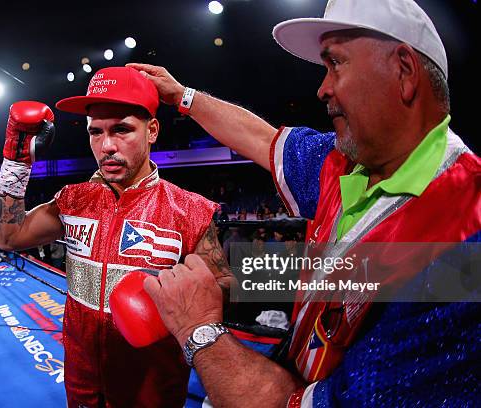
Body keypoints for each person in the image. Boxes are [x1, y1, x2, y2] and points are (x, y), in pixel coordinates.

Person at [129, 0, 480, 406]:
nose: (322, 88)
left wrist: (199, 329)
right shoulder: (347, 161)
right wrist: (182, 96)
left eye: (336, 64)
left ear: (403, 70)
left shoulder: (465, 241)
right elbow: (262, 139)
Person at [0, 66, 236, 407]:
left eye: (122, 130)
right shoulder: (72, 200)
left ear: (151, 131)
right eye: (96, 132)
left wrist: (174, 308)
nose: (106, 146)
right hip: (81, 377)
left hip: (151, 386)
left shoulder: (189, 210)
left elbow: (225, 285)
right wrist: (15, 164)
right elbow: (7, 238)